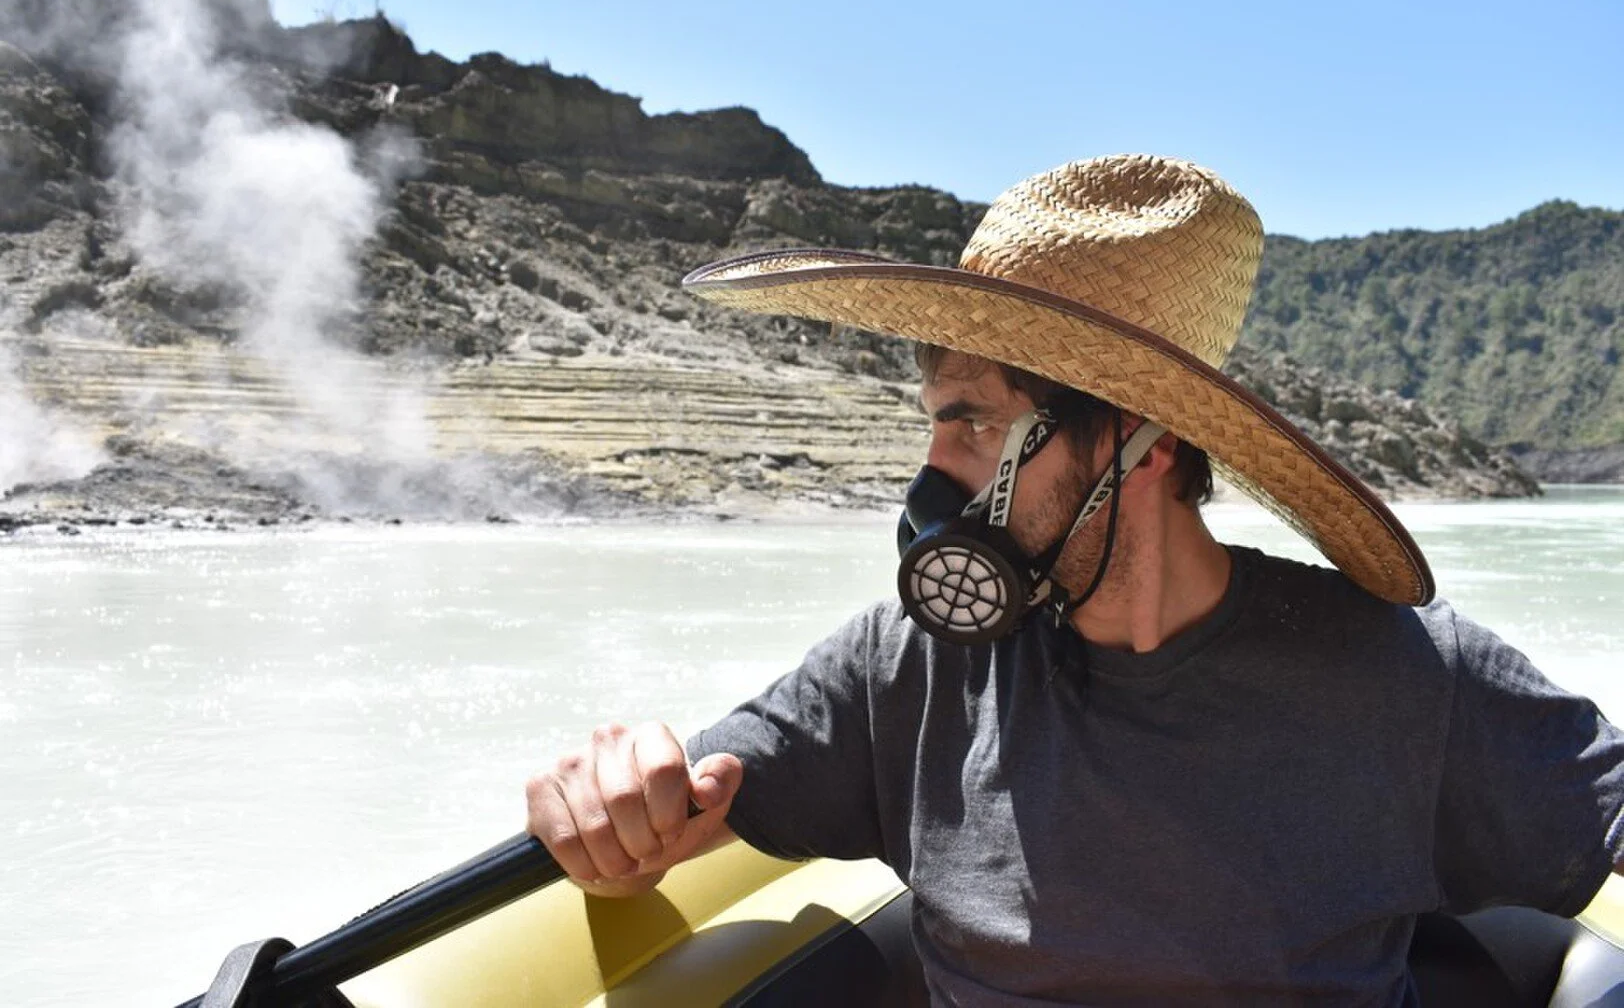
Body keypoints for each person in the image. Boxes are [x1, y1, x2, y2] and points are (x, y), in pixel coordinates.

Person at [525, 154, 1624, 1005]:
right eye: (934, 425)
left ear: (1141, 443)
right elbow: (658, 832)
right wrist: (607, 805)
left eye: (974, 426)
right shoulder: (904, 666)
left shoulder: (1399, 674)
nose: (930, 478)